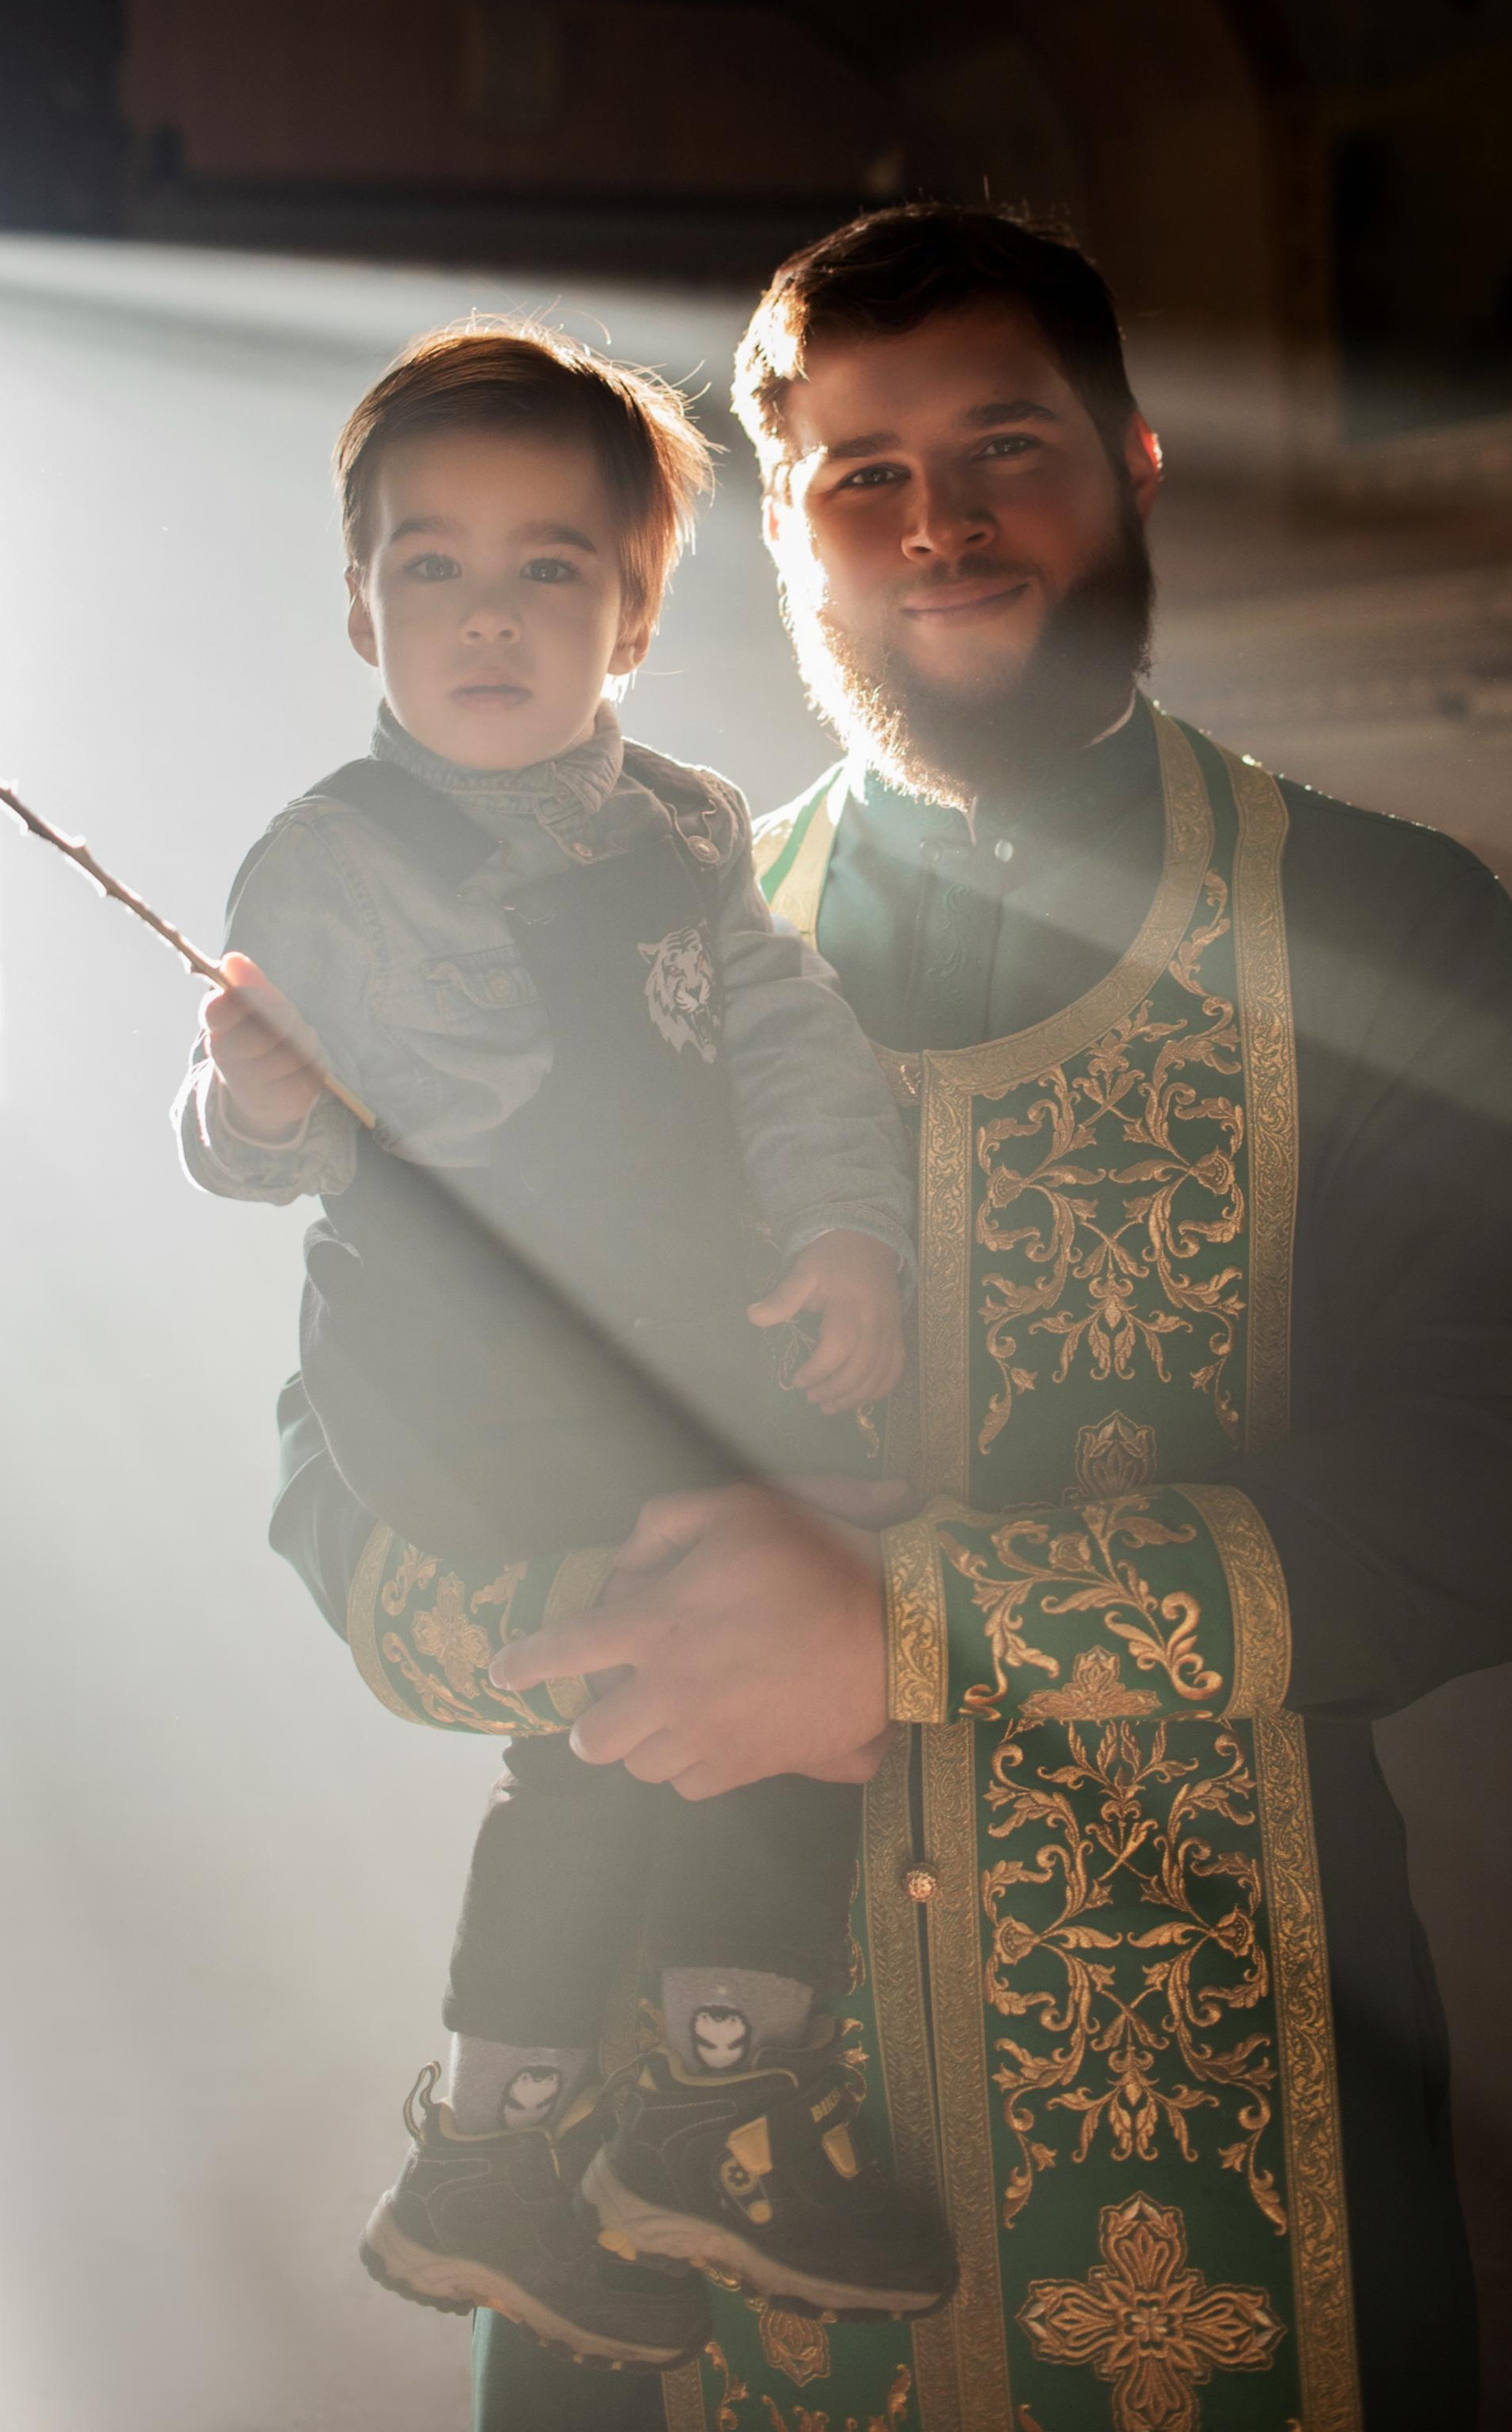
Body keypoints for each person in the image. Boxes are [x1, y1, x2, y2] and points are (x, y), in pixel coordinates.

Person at [273, 209, 1512, 2432]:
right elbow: (330, 1450)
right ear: (784, 543)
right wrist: (593, 1627)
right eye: (860, 473)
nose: (943, 521)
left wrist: (896, 1627)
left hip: (1205, 2099)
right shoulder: (613, 934)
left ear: (1129, 462)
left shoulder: (1390, 926)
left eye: (1008, 445)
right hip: (675, 2147)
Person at [177, 324, 955, 2370]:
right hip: (459, 1376)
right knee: (725, 1652)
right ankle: (675, 2106)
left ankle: (527, 2140)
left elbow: (786, 1053)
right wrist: (256, 1104)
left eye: (549, 572)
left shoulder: (692, 837)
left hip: (660, 1348)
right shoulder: (326, 862)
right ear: (360, 605)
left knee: (697, 1687)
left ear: (630, 616)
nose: (486, 616)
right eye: (430, 568)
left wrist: (850, 1234)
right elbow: (254, 1158)